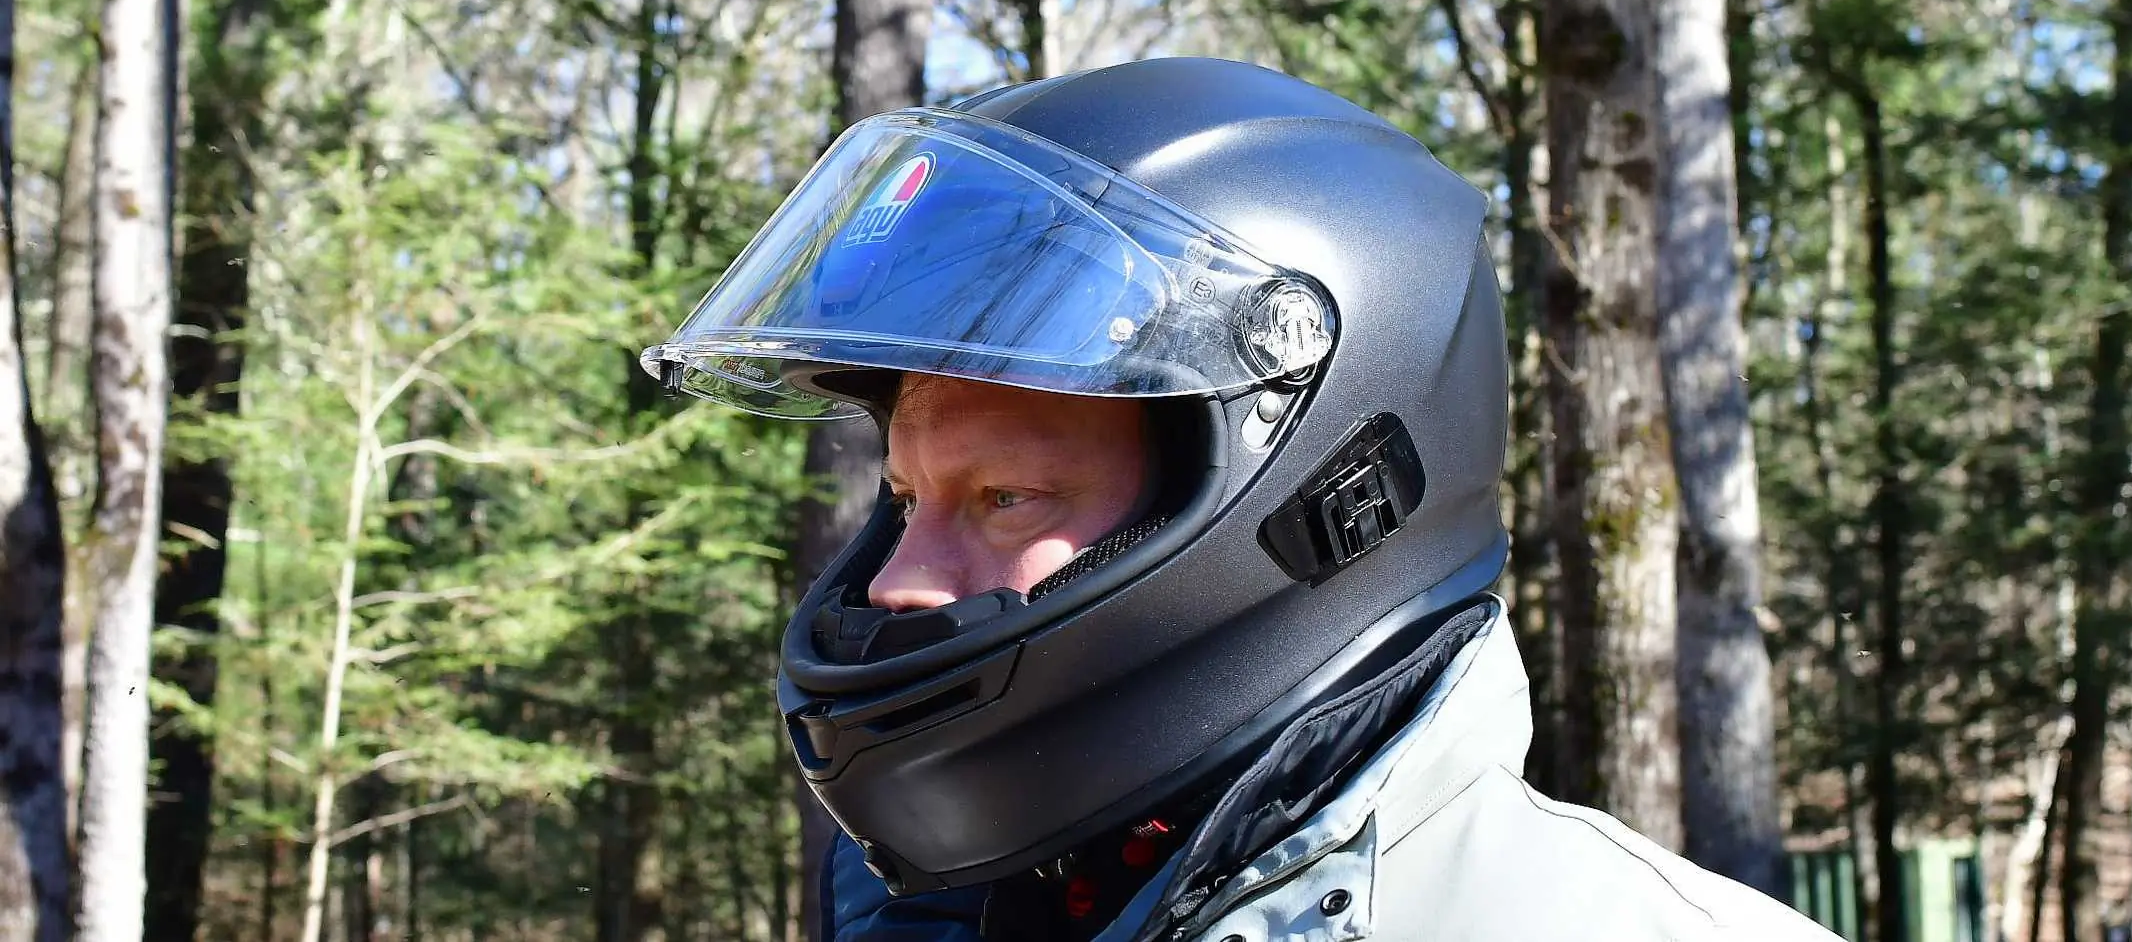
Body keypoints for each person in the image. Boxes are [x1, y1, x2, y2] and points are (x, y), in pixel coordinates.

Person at [644, 58, 1830, 942]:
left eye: (1006, 494)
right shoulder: (925, 913)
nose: (898, 579)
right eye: (904, 497)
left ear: (1330, 499)